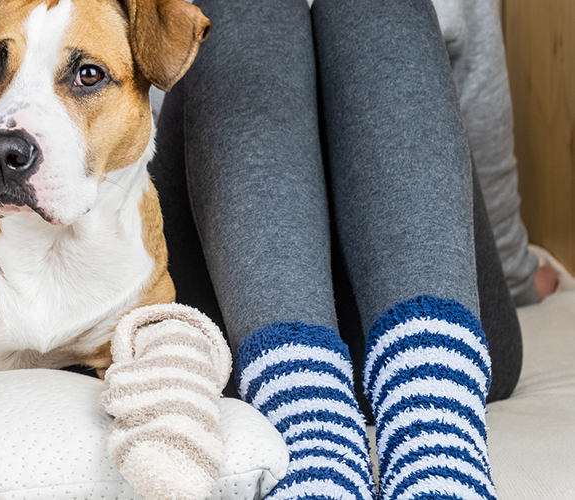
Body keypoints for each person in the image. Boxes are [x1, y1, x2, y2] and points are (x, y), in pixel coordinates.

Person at [149, 0, 511, 498]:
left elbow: (478, 114)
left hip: (432, 293)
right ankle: (304, 408)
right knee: (241, 10)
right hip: (236, 306)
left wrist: (515, 265)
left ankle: (434, 409)